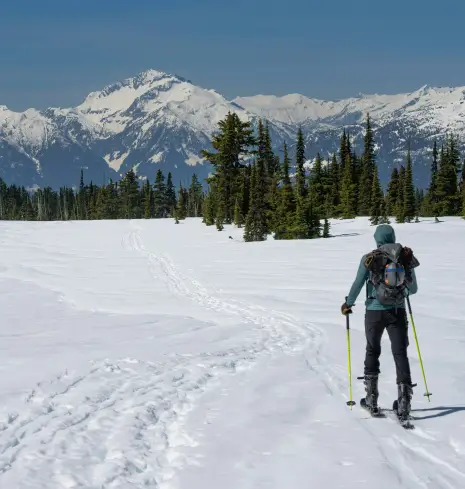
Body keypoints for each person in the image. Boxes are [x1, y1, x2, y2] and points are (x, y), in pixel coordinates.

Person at [341, 224, 418, 418]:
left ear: (377, 239)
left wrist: (348, 304)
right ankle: (404, 403)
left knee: (372, 350)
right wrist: (400, 293)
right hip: (397, 311)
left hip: (374, 312)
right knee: (400, 353)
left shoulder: (369, 258)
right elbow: (413, 289)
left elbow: (358, 283)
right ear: (393, 237)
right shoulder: (405, 257)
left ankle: (371, 399)